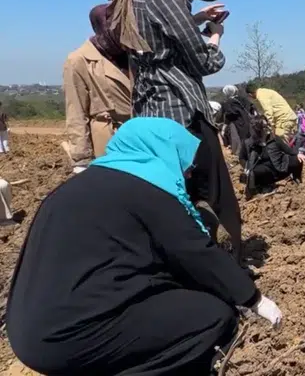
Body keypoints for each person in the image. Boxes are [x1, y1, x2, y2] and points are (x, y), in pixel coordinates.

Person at [5, 118, 282, 376]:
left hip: (27, 333)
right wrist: (254, 299)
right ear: (162, 152)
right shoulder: (148, 190)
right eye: (182, 159)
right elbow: (195, 252)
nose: (186, 170)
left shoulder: (76, 187)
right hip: (70, 338)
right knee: (213, 316)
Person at [108, 0, 242, 258]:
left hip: (151, 110)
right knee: (210, 193)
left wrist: (193, 18)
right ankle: (218, 262)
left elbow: (160, 38)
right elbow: (203, 62)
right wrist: (215, 36)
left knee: (172, 193)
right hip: (181, 110)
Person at [62, 4, 132, 173]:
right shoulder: (78, 60)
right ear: (103, 27)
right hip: (109, 139)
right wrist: (81, 160)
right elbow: (76, 112)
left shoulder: (133, 55)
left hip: (140, 137)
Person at [241, 124, 305, 200]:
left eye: (266, 125)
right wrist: (246, 167)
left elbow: (288, 150)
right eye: (264, 127)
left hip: (280, 166)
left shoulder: (274, 139)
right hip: (265, 171)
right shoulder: (249, 143)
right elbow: (241, 158)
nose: (267, 128)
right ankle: (262, 187)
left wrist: (298, 154)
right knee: (254, 172)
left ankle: (296, 179)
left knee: (297, 160)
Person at [221, 84, 253, 156]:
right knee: (248, 137)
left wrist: (223, 128)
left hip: (237, 123)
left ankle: (241, 154)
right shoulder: (243, 99)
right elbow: (252, 108)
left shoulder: (228, 103)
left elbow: (229, 116)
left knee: (238, 139)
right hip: (248, 121)